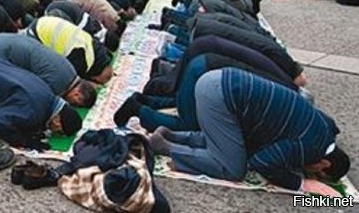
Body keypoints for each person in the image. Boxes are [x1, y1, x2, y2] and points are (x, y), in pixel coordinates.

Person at [149, 68, 350, 192]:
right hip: (221, 97)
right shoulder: (309, 148)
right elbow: (261, 163)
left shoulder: (325, 128)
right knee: (233, 168)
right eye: (318, 174)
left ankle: (172, 136)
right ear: (324, 162)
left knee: (236, 146)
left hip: (222, 80)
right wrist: (301, 185)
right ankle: (165, 147)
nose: (310, 173)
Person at [0, 53, 82, 175]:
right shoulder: (36, 110)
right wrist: (24, 140)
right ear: (58, 121)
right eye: (58, 131)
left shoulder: (47, 93)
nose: (53, 132)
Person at [0, 33, 96, 108]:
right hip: (0, 51)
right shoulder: (58, 86)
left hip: (3, 39)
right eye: (74, 103)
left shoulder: (71, 70)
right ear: (77, 94)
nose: (70, 103)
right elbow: (36, 97)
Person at [25, 15, 113, 84]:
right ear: (95, 78)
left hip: (46, 22)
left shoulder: (98, 48)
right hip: (37, 34)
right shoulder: (81, 63)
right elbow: (66, 77)